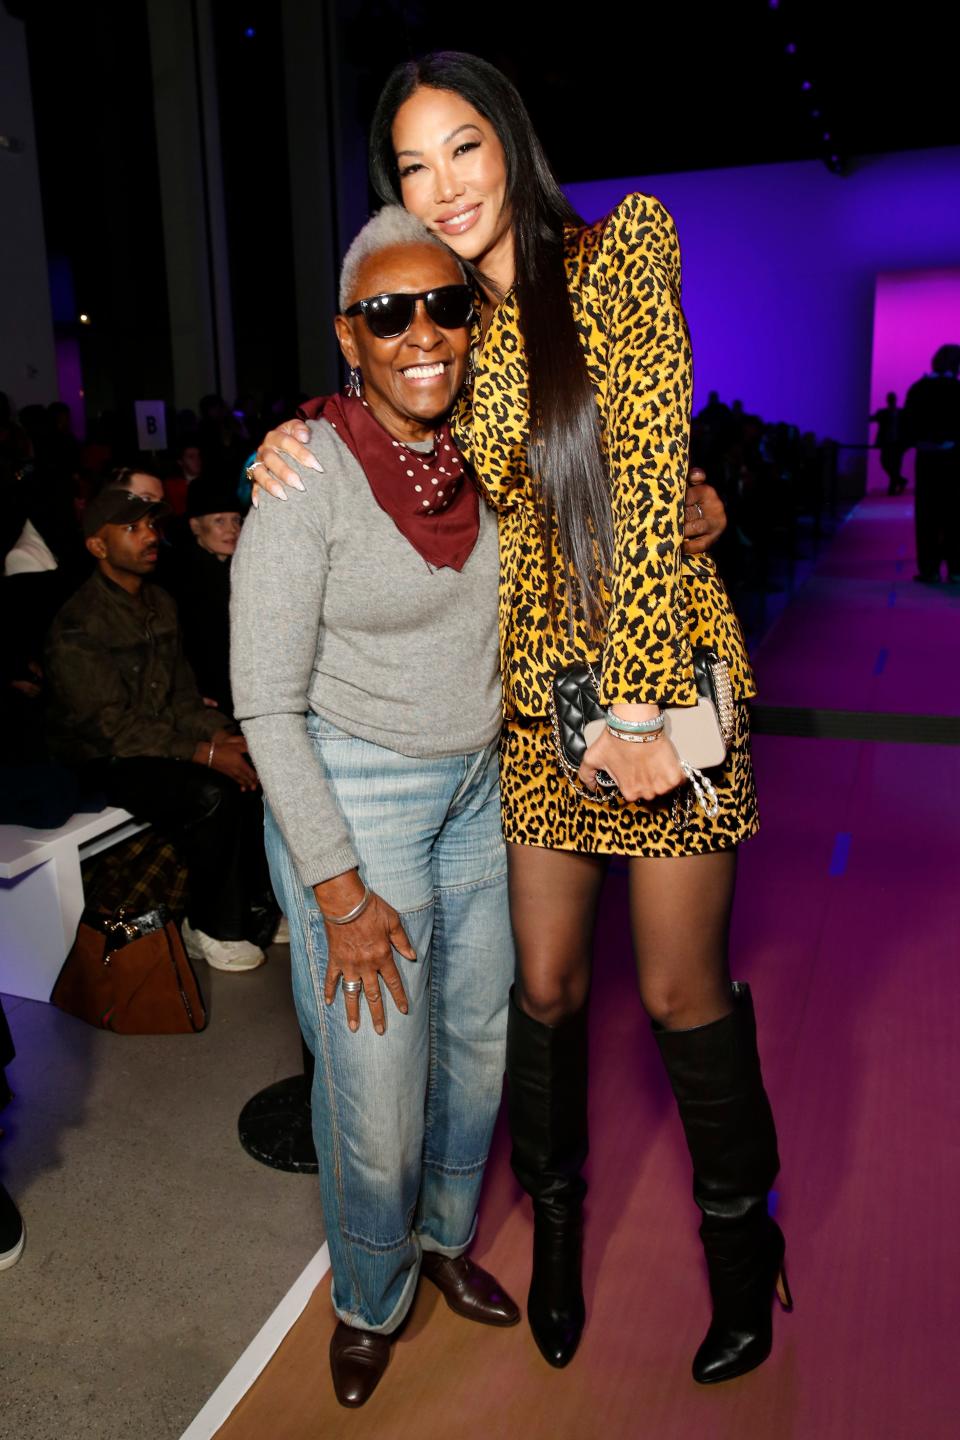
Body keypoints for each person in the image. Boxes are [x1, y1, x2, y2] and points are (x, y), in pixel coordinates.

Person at [254, 52, 788, 1389]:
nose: (446, 188)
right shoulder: (453, 322)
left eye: (466, 149)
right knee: (539, 991)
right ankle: (553, 1246)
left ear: (513, 147)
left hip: (659, 686)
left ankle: (742, 1248)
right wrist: (291, 437)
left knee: (678, 991)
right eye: (414, 168)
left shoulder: (620, 254)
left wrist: (646, 708)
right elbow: (396, 418)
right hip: (539, 711)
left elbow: (659, 466)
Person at [231, 208, 520, 1409]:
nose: (420, 334)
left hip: (481, 786)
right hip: (359, 796)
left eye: (444, 307)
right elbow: (261, 701)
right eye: (387, 313)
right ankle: (370, 1292)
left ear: (473, 322)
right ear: (350, 335)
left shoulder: (495, 453)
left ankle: (446, 1241)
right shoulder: (306, 474)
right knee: (375, 1082)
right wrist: (336, 890)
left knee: (476, 1044)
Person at [44, 486, 270, 972]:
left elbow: (182, 699)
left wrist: (224, 736)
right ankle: (210, 925)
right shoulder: (79, 623)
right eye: (132, 528)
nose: (149, 536)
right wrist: (204, 754)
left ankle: (253, 906)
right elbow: (111, 728)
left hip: (152, 744)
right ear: (97, 547)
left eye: (151, 526)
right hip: (98, 759)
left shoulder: (160, 602)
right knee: (212, 792)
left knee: (255, 762)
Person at [168, 479, 243, 717]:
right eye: (219, 521)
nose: (232, 529)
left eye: (236, 520)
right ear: (195, 526)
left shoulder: (246, 569)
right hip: (204, 703)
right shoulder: (177, 579)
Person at [902, 344, 960, 583]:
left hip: (927, 458)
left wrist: (923, 442)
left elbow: (909, 425)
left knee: (927, 514)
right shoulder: (958, 389)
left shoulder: (917, 389)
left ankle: (930, 569)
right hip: (955, 459)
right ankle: (956, 569)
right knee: (955, 514)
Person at [870, 391, 907, 495]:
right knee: (887, 463)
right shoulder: (885, 413)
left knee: (892, 464)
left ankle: (893, 488)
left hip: (897, 443)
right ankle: (899, 482)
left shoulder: (898, 413)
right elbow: (872, 419)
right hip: (889, 442)